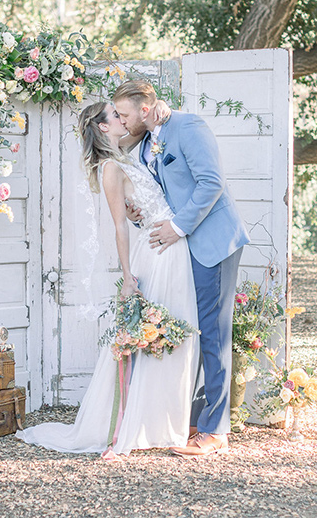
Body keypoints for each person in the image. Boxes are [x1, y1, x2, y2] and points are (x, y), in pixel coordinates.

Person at [16, 101, 200, 457]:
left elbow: (142, 204)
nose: (122, 118)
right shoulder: (110, 168)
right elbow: (119, 225)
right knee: (151, 341)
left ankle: (165, 422)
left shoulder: (130, 156)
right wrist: (128, 275)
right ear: (103, 127)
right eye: (115, 115)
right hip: (156, 254)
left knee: (177, 337)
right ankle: (129, 427)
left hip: (173, 247)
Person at [112, 79, 249, 458]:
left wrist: (175, 227)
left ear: (144, 108)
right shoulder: (144, 143)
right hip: (182, 248)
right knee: (192, 329)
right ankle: (196, 417)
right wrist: (142, 216)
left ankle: (216, 430)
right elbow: (163, 194)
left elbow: (211, 183)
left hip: (213, 243)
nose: (121, 122)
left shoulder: (188, 127)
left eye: (124, 115)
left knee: (214, 332)